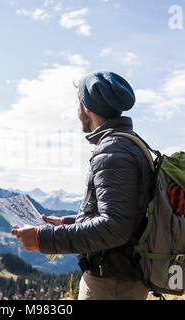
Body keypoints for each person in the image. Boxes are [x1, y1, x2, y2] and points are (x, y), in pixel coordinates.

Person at [12, 71, 153, 300]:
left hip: (111, 283)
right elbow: (125, 215)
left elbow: (114, 227)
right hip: (120, 276)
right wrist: (66, 223)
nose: (77, 111)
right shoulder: (126, 143)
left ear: (87, 107)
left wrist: (43, 239)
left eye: (78, 102)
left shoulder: (113, 151)